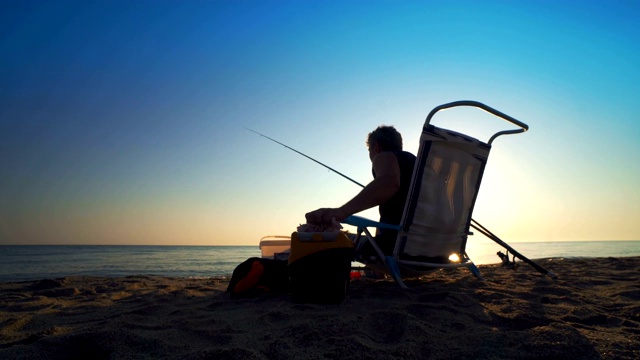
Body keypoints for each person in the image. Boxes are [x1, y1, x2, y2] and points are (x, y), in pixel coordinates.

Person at [305, 125, 416, 256]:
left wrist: (341, 212)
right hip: (432, 251)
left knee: (329, 237)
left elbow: (389, 183)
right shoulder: (419, 166)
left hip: (396, 248)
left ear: (376, 147)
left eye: (370, 150)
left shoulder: (384, 156)